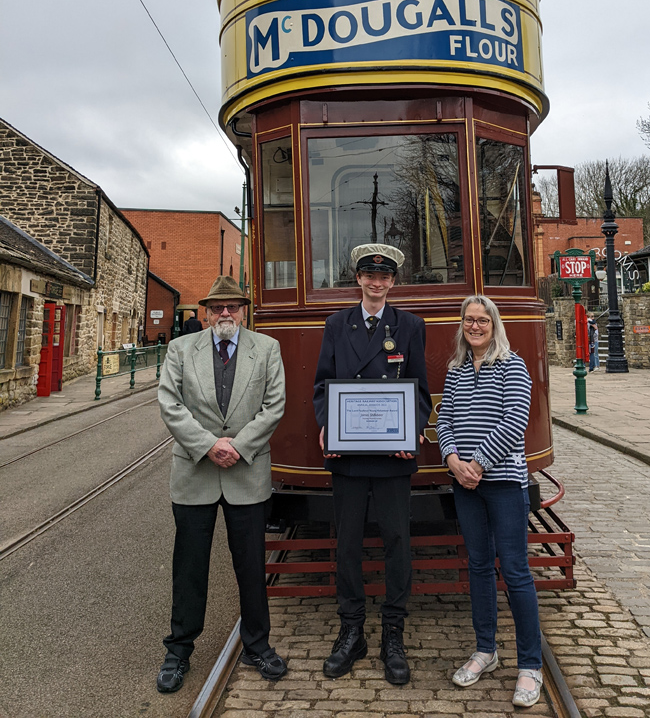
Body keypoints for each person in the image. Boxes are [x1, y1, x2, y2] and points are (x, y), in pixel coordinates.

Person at [156, 275, 286, 694]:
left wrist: (237, 447)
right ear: (206, 312)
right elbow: (170, 404)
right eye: (217, 307)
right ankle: (178, 651)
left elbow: (274, 405)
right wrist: (210, 445)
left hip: (246, 472)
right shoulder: (180, 349)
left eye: (232, 306)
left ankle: (258, 645)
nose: (225, 313)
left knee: (251, 566)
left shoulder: (266, 349)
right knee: (189, 566)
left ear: (243, 310)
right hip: (195, 472)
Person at [313, 244, 432, 685]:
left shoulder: (410, 326)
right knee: (346, 544)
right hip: (347, 455)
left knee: (397, 542)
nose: (377, 283)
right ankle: (352, 632)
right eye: (369, 275)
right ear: (357, 279)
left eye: (384, 277)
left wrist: (413, 429)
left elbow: (419, 389)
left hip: (392, 456)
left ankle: (393, 635)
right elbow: (323, 384)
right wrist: (328, 425)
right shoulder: (336, 324)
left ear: (393, 283)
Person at [436, 295, 543, 708]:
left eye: (482, 320)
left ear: (494, 325)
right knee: (478, 566)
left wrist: (476, 463)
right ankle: (486, 651)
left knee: (516, 571)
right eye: (469, 320)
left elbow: (515, 420)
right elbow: (443, 419)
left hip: (502, 484)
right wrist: (452, 460)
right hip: (465, 485)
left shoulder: (512, 365)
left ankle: (530, 665)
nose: (475, 326)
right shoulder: (456, 370)